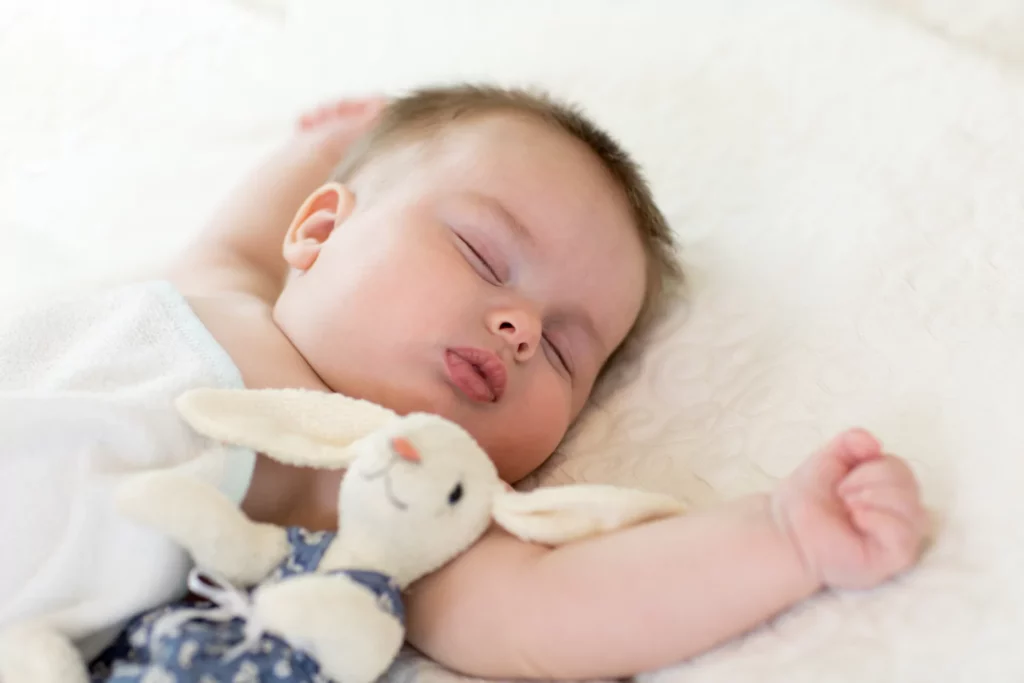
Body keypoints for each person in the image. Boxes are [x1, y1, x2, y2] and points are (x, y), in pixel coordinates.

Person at [0, 85, 928, 680]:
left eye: (568, 351)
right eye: (482, 252)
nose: (522, 329)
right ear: (319, 234)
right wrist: (325, 144)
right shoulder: (223, 289)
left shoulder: (378, 486)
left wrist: (778, 538)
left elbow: (547, 610)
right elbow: (247, 232)